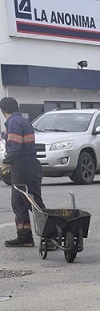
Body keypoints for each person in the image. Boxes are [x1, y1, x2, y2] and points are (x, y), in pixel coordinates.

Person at [1, 96, 45, 247]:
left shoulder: (14, 123)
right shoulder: (21, 121)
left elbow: (14, 147)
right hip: (21, 167)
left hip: (25, 167)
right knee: (19, 203)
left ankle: (51, 236)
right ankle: (25, 237)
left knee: (34, 203)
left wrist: (5, 163)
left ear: (2, 111)